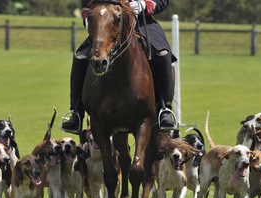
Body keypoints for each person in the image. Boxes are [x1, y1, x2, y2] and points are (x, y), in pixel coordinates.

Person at [62, 0, 177, 134]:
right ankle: (76, 112)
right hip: (106, 22)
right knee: (80, 57)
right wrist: (90, 20)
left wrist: (144, 4)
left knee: (162, 54)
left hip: (141, 21)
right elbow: (86, 5)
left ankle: (165, 109)